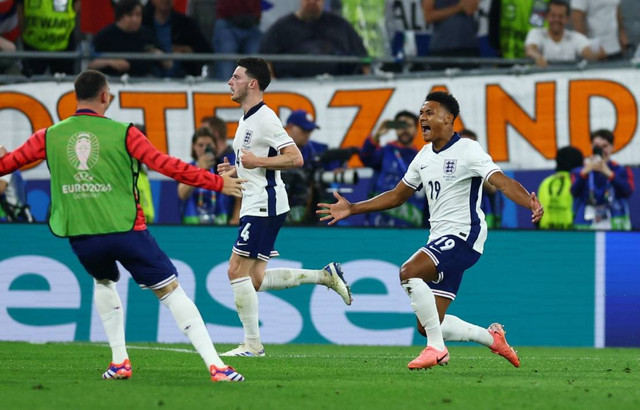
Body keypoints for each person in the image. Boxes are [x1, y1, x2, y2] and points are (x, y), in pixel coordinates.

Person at [0, 69, 246, 382]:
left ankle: (119, 362)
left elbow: (6, 165)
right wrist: (215, 182)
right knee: (170, 292)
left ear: (76, 98)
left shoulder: (48, 135)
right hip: (126, 229)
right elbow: (166, 165)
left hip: (82, 234)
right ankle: (217, 366)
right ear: (106, 97)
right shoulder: (125, 132)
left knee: (103, 281)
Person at [318, 91, 544, 369]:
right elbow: (397, 195)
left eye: (429, 112)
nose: (422, 118)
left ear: (449, 119)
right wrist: (353, 208)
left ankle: (436, 349)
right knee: (428, 324)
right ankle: (492, 338)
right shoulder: (423, 156)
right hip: (439, 238)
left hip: (464, 235)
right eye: (421, 113)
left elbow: (501, 182)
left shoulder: (468, 150)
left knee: (408, 272)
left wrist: (529, 203)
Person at [217, 57, 352, 357]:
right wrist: (235, 170)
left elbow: (295, 158)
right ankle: (325, 275)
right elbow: (252, 164)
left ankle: (252, 345)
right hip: (259, 201)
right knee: (254, 278)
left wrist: (256, 162)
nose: (230, 81)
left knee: (235, 269)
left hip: (263, 204)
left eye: (236, 77)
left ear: (252, 83)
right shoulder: (246, 118)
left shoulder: (266, 118)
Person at [258, 0, 369, 78]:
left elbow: (363, 58)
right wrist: (273, 85)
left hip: (336, 82)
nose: (312, 2)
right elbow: (265, 59)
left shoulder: (340, 25)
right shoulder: (281, 27)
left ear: (323, 1)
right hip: (292, 83)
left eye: (316, 0)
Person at [358, 110, 424, 227]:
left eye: (408, 125)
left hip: (410, 224)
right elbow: (365, 158)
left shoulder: (422, 157)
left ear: (416, 130)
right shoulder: (386, 151)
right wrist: (377, 134)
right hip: (380, 221)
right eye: (400, 125)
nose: (404, 130)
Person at [570, 129, 634, 230]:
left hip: (615, 220)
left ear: (612, 147)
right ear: (591, 146)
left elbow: (628, 191)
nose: (601, 150)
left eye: (604, 146)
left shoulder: (621, 170)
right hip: (586, 222)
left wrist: (609, 173)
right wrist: (585, 172)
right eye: (597, 147)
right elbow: (574, 192)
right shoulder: (579, 171)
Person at [89, 0, 170, 77]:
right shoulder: (105, 35)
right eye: (130, 15)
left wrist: (159, 55)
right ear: (120, 16)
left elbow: (169, 64)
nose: (135, 19)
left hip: (145, 81)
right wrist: (111, 61)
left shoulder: (148, 34)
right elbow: (90, 64)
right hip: (112, 82)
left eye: (138, 15)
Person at [177, 127, 236, 225]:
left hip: (220, 226)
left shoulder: (223, 167)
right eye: (200, 145)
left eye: (208, 145)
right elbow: (182, 194)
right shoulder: (187, 168)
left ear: (215, 146)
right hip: (192, 226)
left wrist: (235, 217)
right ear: (194, 147)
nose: (204, 149)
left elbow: (237, 192)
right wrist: (199, 169)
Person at [142, 0, 213, 77]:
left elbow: (208, 54)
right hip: (148, 80)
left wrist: (188, 50)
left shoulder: (186, 23)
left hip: (183, 80)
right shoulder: (142, 23)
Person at [524, 0, 605, 67]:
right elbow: (530, 49)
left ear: (567, 19)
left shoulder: (575, 37)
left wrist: (596, 53)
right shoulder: (536, 33)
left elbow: (586, 50)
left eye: (561, 16)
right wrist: (537, 57)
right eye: (553, 16)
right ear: (547, 17)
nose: (556, 20)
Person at [17, 0, 79, 76]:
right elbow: (20, 12)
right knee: (31, 83)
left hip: (63, 46)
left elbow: (76, 5)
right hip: (33, 48)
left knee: (64, 83)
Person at [459, 128, 501, 228]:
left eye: (470, 145)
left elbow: (492, 189)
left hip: (478, 217)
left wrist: (473, 173)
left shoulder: (481, 164)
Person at [211, 0, 262, 81]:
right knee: (225, 71)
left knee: (254, 71)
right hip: (227, 21)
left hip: (251, 22)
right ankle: (224, 92)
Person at [422, 0, 480, 69]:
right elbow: (429, 16)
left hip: (467, 46)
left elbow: (470, 9)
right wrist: (458, 8)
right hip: (441, 48)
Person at [536, 146, 584, 229]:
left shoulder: (545, 182)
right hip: (571, 233)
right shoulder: (577, 182)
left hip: (545, 232)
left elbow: (536, 213)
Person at [0, 146, 34, 223]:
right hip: (13, 211)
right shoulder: (11, 165)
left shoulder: (6, 166)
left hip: (17, 214)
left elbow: (1, 189)